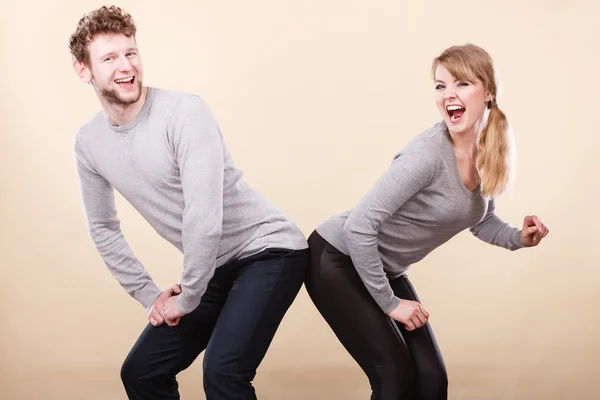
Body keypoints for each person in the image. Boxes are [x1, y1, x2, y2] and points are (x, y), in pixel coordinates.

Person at [69, 6, 309, 399]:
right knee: (142, 371)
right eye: (109, 58)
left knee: (223, 372)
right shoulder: (89, 143)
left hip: (270, 251)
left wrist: (191, 295)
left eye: (131, 52)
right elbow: (103, 228)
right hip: (214, 265)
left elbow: (203, 217)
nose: (125, 66)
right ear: (84, 70)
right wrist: (150, 296)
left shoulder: (184, 112)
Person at [304, 43, 550, 400]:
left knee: (433, 381)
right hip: (336, 259)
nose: (448, 94)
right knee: (394, 377)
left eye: (461, 83)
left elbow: (481, 220)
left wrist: (520, 238)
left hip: (382, 267)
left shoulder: (487, 149)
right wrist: (391, 304)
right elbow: (359, 227)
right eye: (440, 85)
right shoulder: (426, 155)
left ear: (489, 92)